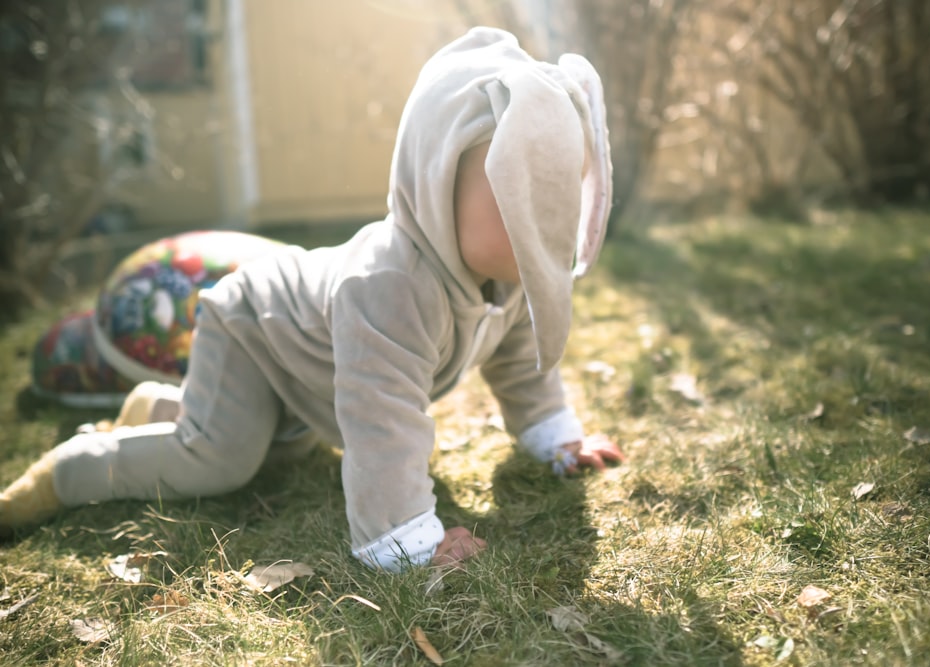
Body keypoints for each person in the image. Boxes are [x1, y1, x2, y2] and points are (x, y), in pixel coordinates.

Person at [0, 27, 623, 571]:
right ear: (436, 179)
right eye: (518, 194)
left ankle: (161, 407)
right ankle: (67, 472)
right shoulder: (391, 286)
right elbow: (382, 424)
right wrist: (408, 540)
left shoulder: (510, 275)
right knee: (219, 462)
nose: (549, 219)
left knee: (286, 443)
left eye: (562, 194)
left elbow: (522, 364)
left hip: (311, 370)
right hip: (254, 330)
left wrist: (555, 438)